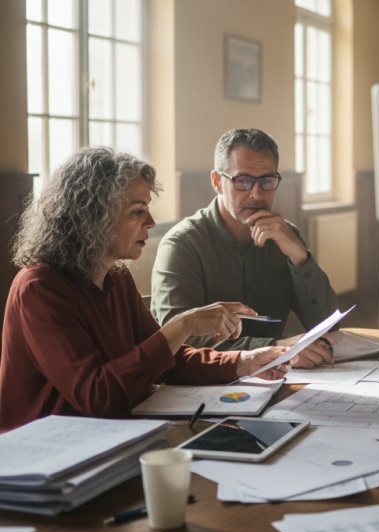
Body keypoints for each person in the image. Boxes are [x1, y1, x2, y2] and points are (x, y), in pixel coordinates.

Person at [0, 147, 292, 434]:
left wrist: (245, 362)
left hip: (106, 438)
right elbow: (98, 397)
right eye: (137, 211)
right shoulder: (39, 288)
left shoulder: (116, 276)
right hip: (44, 456)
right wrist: (183, 325)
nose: (151, 223)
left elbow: (166, 362)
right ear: (93, 218)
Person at [151, 128, 338, 362]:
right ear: (217, 182)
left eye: (267, 180)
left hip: (275, 379)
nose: (257, 193)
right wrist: (274, 348)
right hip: (206, 384)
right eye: (244, 181)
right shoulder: (181, 245)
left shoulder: (285, 236)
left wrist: (299, 256)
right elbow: (178, 341)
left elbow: (328, 323)